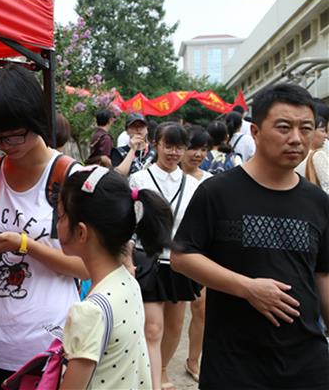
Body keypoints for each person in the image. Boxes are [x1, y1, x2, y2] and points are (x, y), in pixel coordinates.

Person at [172, 83, 329, 390]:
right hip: (235, 365)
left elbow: (323, 274)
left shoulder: (318, 202)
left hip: (307, 363)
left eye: (306, 128)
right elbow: (182, 256)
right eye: (283, 127)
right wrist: (247, 288)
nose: (296, 138)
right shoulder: (217, 192)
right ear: (255, 132)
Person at [0, 64, 88, 390]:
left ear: (36, 119)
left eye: (15, 134)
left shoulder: (71, 179)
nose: (5, 144)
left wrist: (23, 244)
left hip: (46, 350)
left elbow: (88, 267)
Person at [57, 167, 174, 390]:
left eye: (61, 215)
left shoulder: (89, 312)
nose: (57, 223)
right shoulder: (128, 282)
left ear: (81, 232)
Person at [129, 123, 200, 390]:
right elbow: (131, 223)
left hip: (179, 262)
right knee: (152, 328)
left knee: (175, 325)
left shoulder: (192, 185)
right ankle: (151, 378)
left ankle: (160, 369)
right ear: (156, 144)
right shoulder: (140, 179)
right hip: (147, 259)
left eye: (179, 147)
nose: (173, 152)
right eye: (168, 146)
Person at [178, 125, 212, 383]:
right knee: (171, 315)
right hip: (171, 254)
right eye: (193, 148)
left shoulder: (210, 182)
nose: (198, 154)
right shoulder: (165, 176)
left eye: (203, 149)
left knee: (200, 309)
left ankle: (193, 359)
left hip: (202, 254)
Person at [296, 101, 329, 194]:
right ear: (311, 131)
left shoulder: (298, 154)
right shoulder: (318, 155)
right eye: (322, 131)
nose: (326, 136)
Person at [111, 113, 156, 177]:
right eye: (133, 126)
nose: (138, 129)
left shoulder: (154, 150)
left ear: (147, 129)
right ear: (127, 131)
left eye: (142, 126)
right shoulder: (118, 152)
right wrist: (133, 149)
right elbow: (119, 174)